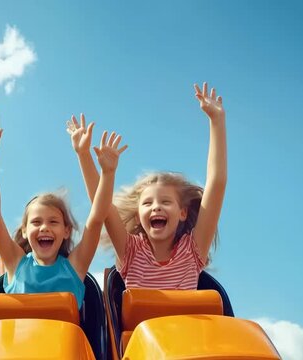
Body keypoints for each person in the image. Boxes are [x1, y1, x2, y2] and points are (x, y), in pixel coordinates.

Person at [67, 82, 226, 289]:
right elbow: (102, 207)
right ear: (138, 215)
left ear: (183, 213)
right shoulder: (131, 251)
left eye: (165, 201)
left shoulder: (193, 250)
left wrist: (217, 121)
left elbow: (217, 183)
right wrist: (84, 155)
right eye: (148, 203)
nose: (156, 207)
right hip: (141, 323)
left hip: (184, 322)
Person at [0, 110, 127, 307]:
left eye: (53, 221)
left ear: (66, 231)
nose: (44, 227)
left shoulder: (75, 266)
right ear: (24, 230)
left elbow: (98, 217)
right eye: (36, 222)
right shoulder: (16, 264)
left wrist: (106, 172)